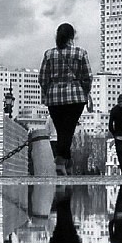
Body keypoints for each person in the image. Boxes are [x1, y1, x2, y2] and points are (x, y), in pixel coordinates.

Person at [39, 22, 93, 176]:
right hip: (75, 97)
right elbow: (88, 76)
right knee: (68, 130)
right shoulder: (81, 53)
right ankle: (61, 161)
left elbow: (42, 78)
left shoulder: (49, 54)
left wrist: (48, 91)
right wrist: (85, 92)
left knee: (61, 129)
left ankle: (66, 162)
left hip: (54, 98)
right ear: (72, 36)